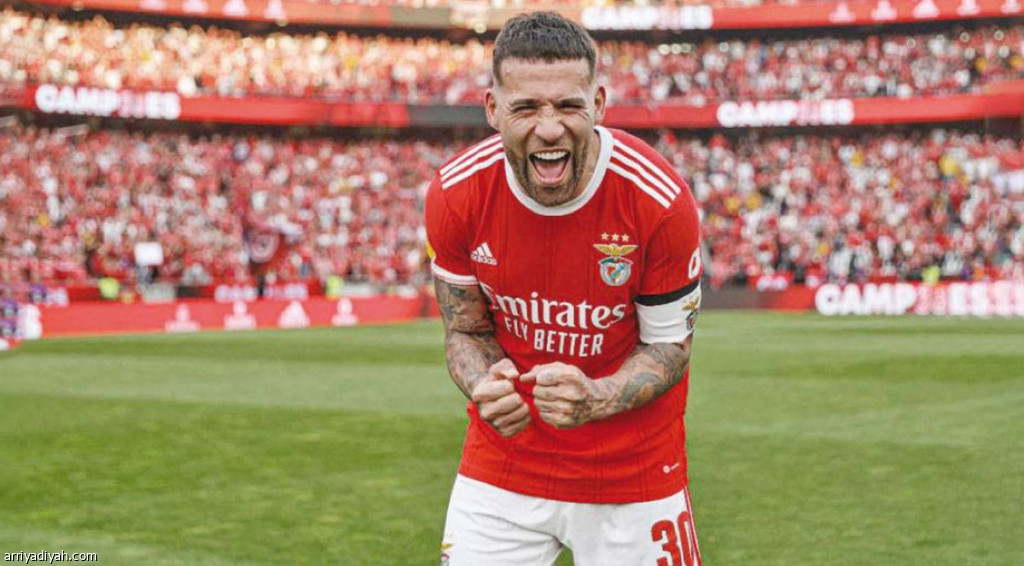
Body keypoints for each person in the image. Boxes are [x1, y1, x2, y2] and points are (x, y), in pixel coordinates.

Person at [425, 12, 703, 566]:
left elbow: (670, 346)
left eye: (568, 106)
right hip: (504, 464)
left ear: (598, 104)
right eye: (526, 107)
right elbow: (465, 330)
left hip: (633, 472)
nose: (549, 128)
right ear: (492, 109)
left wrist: (597, 397)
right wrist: (482, 383)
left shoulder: (659, 200)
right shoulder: (456, 194)